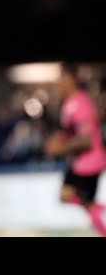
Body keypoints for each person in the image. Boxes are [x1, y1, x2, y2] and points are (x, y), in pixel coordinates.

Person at [43, 62, 106, 236]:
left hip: (89, 163)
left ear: (71, 79)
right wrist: (58, 139)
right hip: (78, 162)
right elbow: (69, 131)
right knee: (67, 196)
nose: (58, 83)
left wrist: (60, 149)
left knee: (86, 204)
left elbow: (86, 140)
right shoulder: (68, 105)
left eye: (61, 78)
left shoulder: (81, 105)